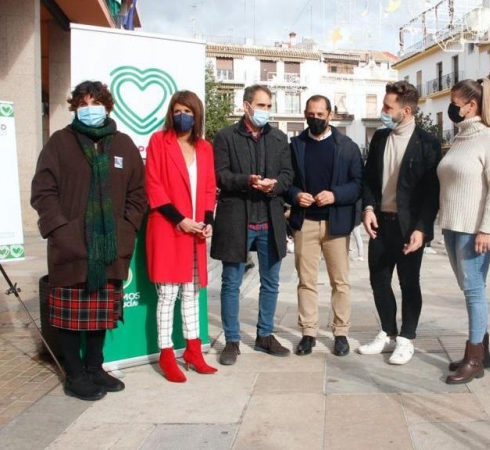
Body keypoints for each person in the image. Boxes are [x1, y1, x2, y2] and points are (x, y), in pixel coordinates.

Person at [31, 80, 147, 400]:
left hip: (110, 247)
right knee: (70, 317)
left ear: (107, 106)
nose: (89, 108)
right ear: (74, 108)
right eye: (83, 103)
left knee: (99, 314)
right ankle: (75, 373)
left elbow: (138, 194)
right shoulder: (60, 143)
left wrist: (126, 228)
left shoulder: (123, 145)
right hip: (70, 248)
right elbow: (43, 191)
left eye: (95, 102)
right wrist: (61, 231)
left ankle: (95, 367)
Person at [357, 81, 441, 364]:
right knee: (378, 280)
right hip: (380, 223)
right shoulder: (380, 138)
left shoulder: (427, 143)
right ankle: (387, 332)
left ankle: (407, 338)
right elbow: (369, 179)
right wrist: (368, 208)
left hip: (409, 228)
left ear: (405, 111)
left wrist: (422, 229)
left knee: (409, 282)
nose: (382, 111)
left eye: (387, 107)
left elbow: (432, 192)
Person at [211, 84, 294, 365]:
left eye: (269, 106)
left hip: (270, 220)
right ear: (246, 106)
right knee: (231, 283)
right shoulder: (225, 137)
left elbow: (287, 175)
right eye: (261, 105)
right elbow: (220, 175)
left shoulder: (280, 138)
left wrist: (274, 185)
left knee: (271, 283)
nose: (265, 111)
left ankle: (265, 336)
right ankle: (232, 340)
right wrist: (246, 180)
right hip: (237, 220)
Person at [144, 90, 218, 382]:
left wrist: (208, 220)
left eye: (187, 111)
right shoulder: (158, 142)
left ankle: (193, 350)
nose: (182, 116)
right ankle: (166, 354)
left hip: (196, 232)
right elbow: (153, 185)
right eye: (177, 110)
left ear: (196, 115)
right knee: (168, 295)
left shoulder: (205, 148)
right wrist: (180, 220)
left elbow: (210, 187)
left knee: (191, 294)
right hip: (167, 228)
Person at [438, 78, 490, 384]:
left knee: (474, 291)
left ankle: (475, 358)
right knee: (469, 291)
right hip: (452, 227)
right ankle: (482, 350)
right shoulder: (460, 137)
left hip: (473, 230)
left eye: (456, 102)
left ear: (472, 105)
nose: (452, 108)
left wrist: (486, 230)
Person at [287, 95, 363, 356]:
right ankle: (308, 332)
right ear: (305, 114)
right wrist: (296, 194)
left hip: (335, 224)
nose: (315, 118)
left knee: (340, 282)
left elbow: (357, 184)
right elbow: (287, 181)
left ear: (330, 115)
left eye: (320, 114)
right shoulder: (296, 145)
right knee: (305, 281)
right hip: (305, 222)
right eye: (311, 113)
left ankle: (340, 332)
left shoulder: (347, 147)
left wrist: (335, 195)